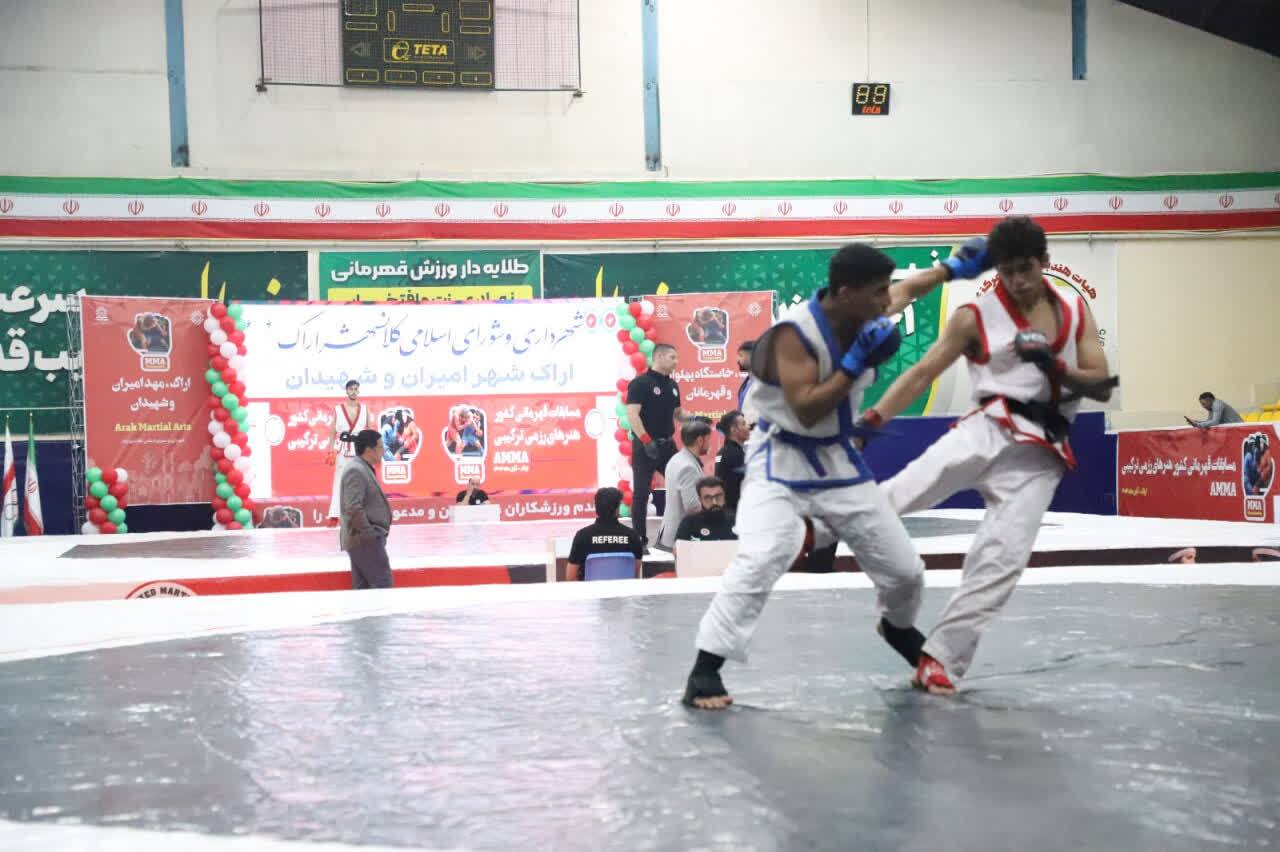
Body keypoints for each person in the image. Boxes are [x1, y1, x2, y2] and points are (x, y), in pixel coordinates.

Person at [683, 240, 984, 710]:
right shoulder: (792, 336)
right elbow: (806, 410)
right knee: (763, 556)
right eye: (877, 292)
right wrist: (854, 364)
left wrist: (952, 269)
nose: (887, 301)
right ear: (846, 293)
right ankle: (705, 669)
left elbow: (908, 290)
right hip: (779, 459)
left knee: (905, 570)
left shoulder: (866, 311)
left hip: (838, 460)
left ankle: (897, 627)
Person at [863, 216, 1115, 695]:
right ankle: (815, 530)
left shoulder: (1074, 309)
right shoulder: (974, 316)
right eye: (1006, 271)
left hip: (1040, 453)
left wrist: (1054, 366)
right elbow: (922, 374)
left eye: (1025, 269)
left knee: (1001, 559)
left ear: (1044, 262)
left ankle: (939, 658)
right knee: (902, 492)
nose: (1017, 281)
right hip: (988, 427)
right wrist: (873, 421)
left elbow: (1101, 383)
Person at [626, 343, 682, 549]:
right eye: (672, 357)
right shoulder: (640, 383)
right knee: (641, 494)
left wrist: (695, 419)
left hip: (667, 445)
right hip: (645, 446)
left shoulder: (673, 385)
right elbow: (632, 414)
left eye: (676, 358)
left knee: (683, 485)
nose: (676, 362)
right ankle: (639, 541)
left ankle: (676, 536)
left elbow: (678, 414)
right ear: (658, 357)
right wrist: (646, 440)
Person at [340, 429, 393, 590]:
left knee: (363, 592)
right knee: (382, 584)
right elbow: (353, 507)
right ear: (369, 450)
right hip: (364, 541)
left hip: (363, 541)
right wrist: (370, 536)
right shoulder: (356, 470)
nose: (384, 450)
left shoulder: (362, 468)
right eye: (381, 447)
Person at [656, 419, 713, 552]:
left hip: (670, 531)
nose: (709, 444)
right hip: (681, 536)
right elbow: (692, 506)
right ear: (700, 440)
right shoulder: (688, 467)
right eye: (708, 440)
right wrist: (713, 510)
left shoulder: (676, 459)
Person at [566, 487, 644, 581]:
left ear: (596, 508)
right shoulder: (633, 537)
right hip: (622, 590)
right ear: (617, 509)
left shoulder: (582, 536)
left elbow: (570, 577)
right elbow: (634, 575)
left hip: (591, 590)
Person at [327, 380, 374, 527]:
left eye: (356, 389)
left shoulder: (365, 409)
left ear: (358, 391)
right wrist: (330, 450)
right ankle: (334, 515)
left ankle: (361, 514)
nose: (354, 391)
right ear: (346, 391)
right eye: (351, 389)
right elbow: (333, 430)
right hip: (343, 450)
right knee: (339, 482)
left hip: (359, 450)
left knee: (360, 482)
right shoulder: (338, 409)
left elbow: (369, 430)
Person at [675, 476, 737, 542]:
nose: (714, 502)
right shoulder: (689, 523)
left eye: (718, 496)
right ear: (700, 500)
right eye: (708, 498)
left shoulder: (737, 520)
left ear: (724, 496)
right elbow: (678, 547)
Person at [714, 409, 749, 515]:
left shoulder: (722, 452)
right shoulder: (735, 455)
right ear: (733, 430)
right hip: (736, 512)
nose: (748, 427)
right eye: (743, 424)